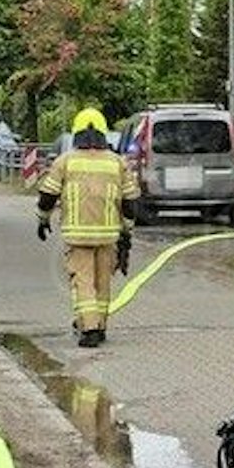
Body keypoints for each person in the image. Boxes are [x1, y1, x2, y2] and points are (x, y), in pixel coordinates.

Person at [36, 107, 140, 348]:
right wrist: (127, 230)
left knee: (83, 281)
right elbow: (129, 202)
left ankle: (89, 328)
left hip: (77, 235)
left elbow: (48, 196)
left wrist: (42, 219)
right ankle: (100, 325)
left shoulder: (65, 161)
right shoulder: (117, 163)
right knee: (103, 282)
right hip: (108, 235)